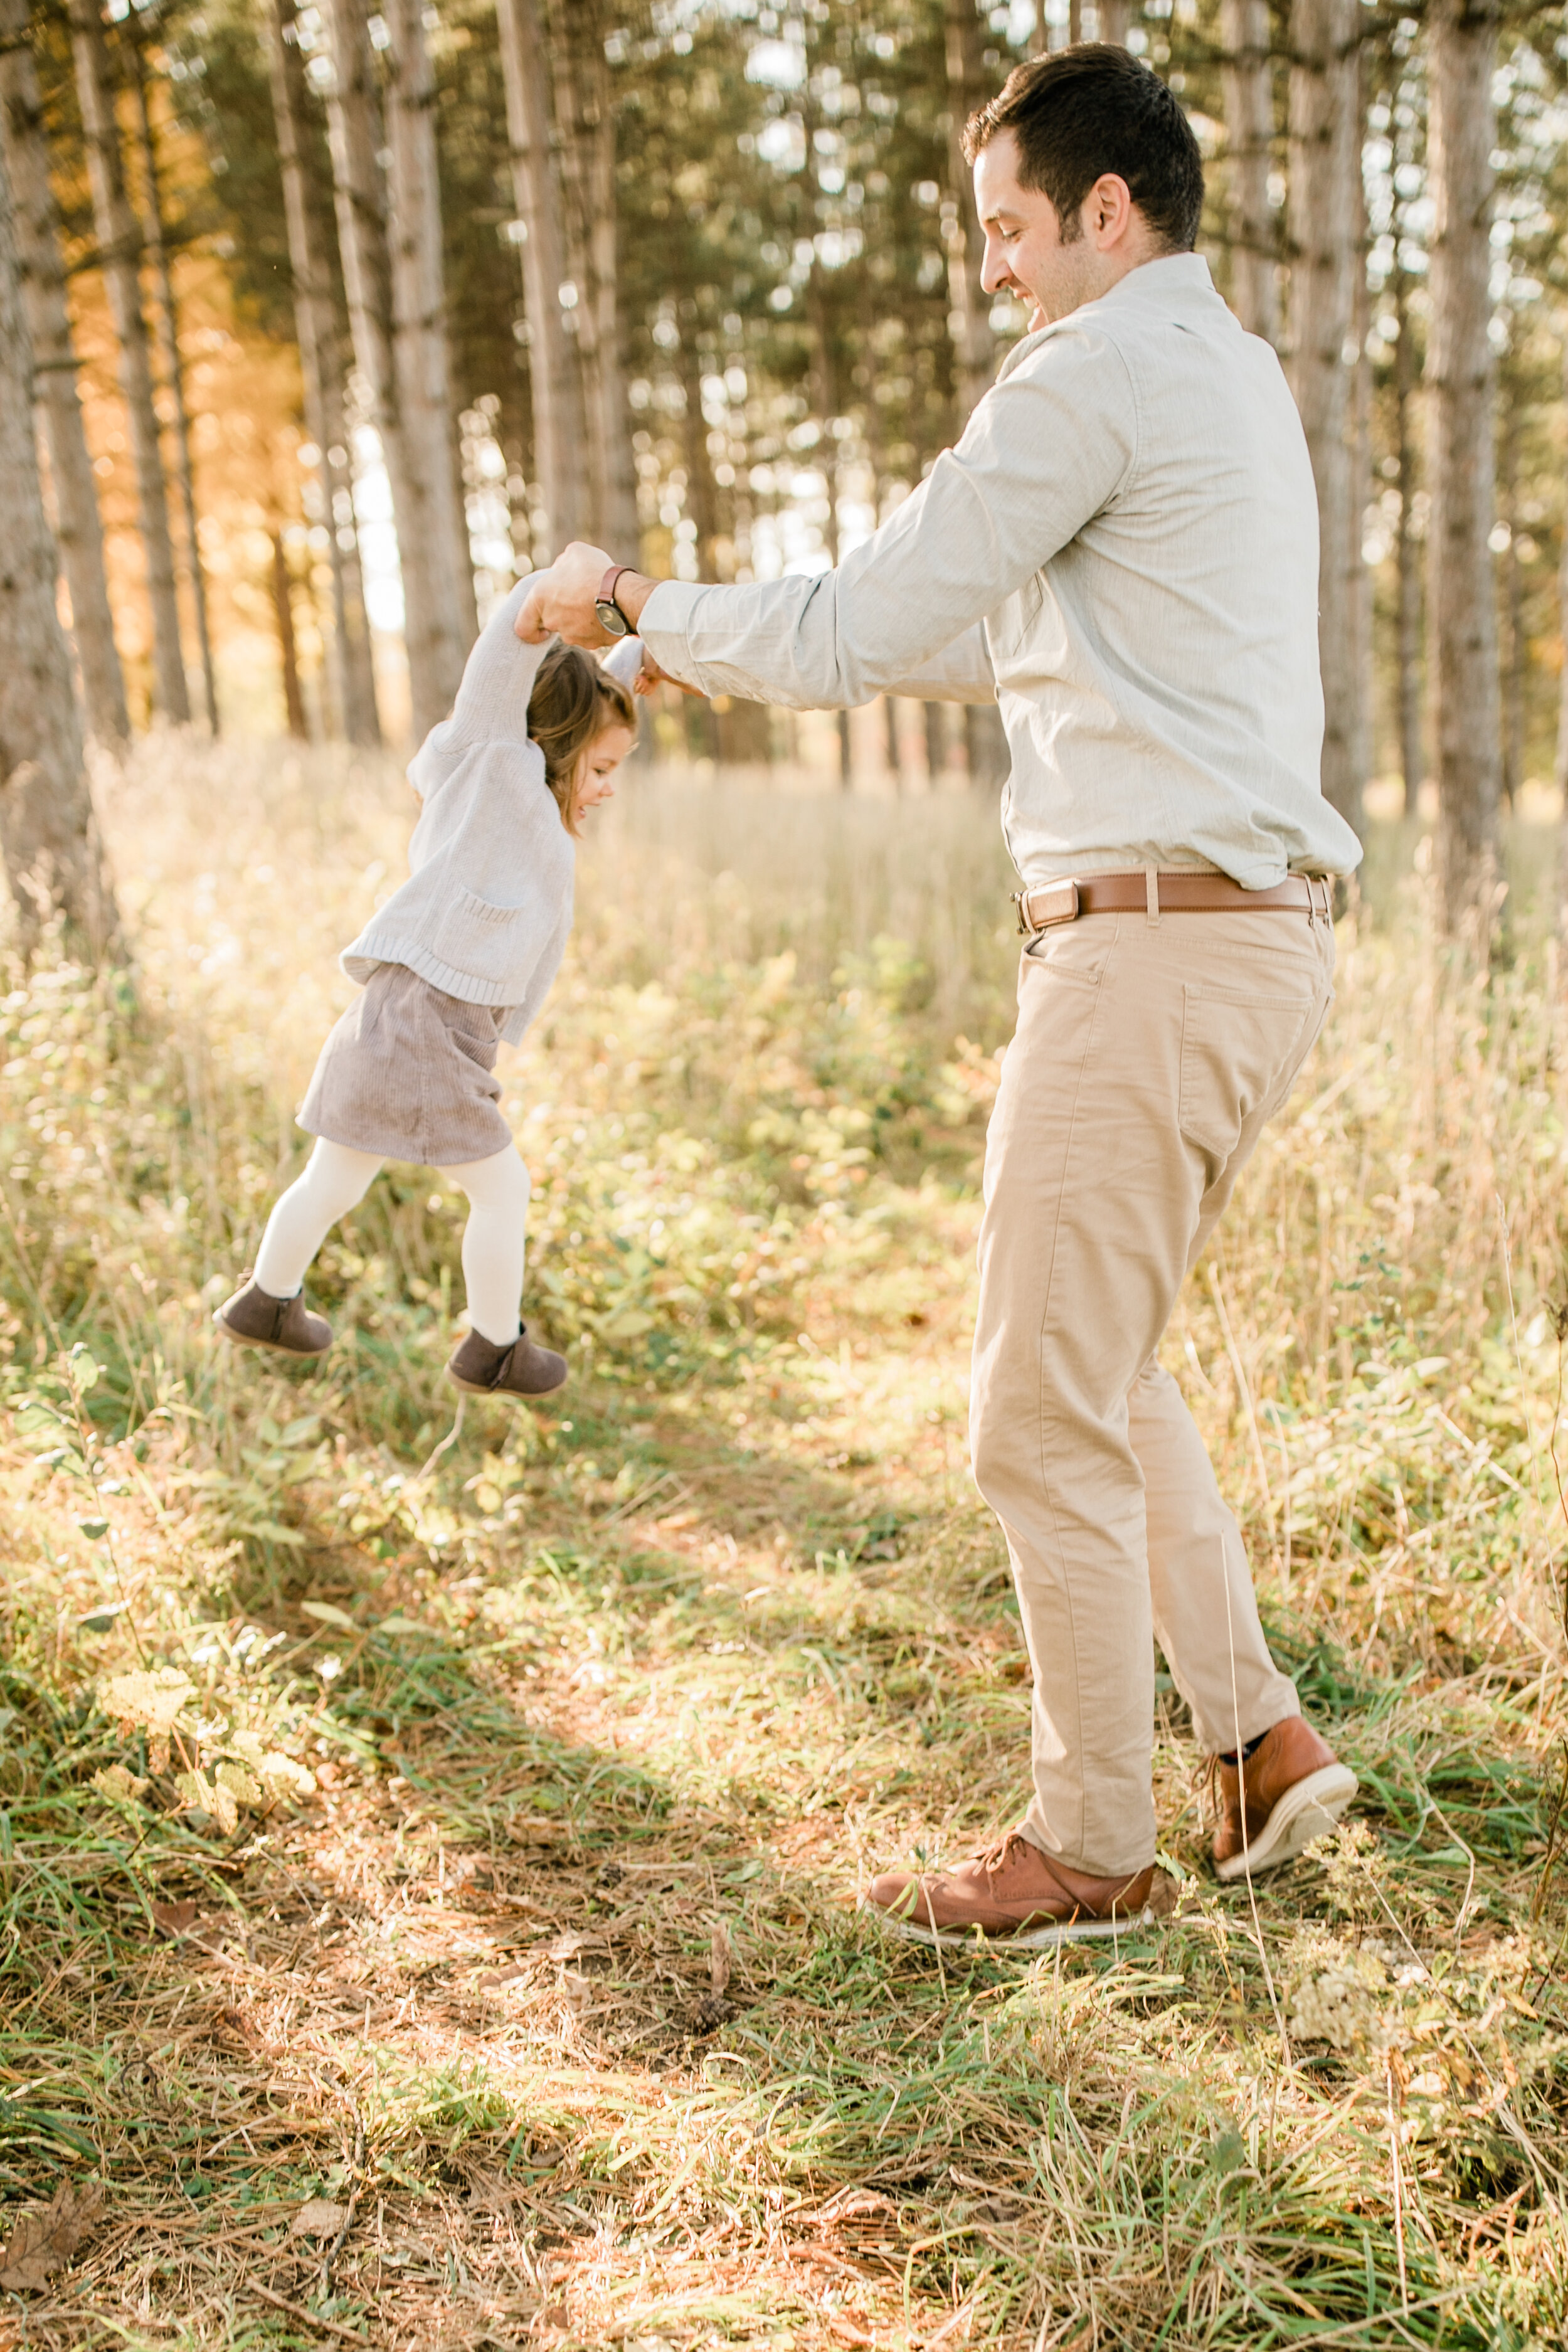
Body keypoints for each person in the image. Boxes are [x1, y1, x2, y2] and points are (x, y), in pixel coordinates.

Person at [518, 44, 1362, 1942]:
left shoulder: (1094, 367)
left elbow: (871, 618)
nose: (993, 269)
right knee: (1102, 1363)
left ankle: (1091, 1841)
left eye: (1007, 228)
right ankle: (1254, 1746)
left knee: (1027, 1408)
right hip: (1235, 939)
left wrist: (629, 599)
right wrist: (695, 653)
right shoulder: (1226, 375)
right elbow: (992, 630)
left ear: (1103, 214)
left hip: (1147, 944)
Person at [214, 583, 644, 1404]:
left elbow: (587, 700)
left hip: (403, 1017)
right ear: (552, 747)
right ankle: (494, 1345)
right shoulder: (496, 768)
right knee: (501, 1186)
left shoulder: (538, 802)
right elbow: (504, 664)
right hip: (427, 1025)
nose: (608, 787)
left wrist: (636, 656)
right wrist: (547, 592)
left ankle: (266, 1300)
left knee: (336, 1178)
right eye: (600, 767)